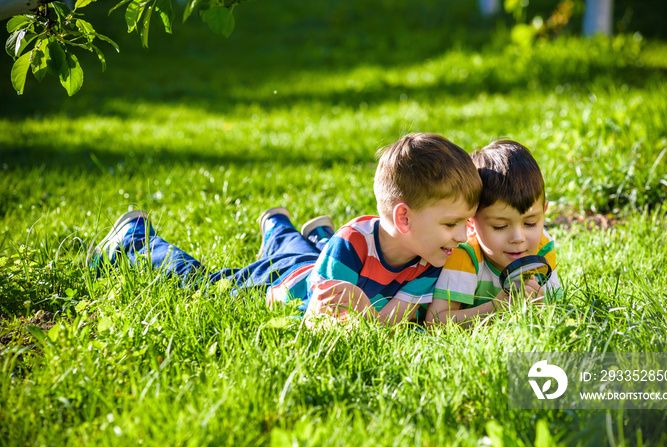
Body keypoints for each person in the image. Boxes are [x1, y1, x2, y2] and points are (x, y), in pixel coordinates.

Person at [92, 133, 483, 327]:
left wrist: (366, 312)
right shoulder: (351, 245)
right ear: (403, 219)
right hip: (280, 286)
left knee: (301, 255)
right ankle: (134, 239)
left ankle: (283, 226)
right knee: (203, 282)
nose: (462, 237)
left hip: (312, 262)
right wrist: (364, 315)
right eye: (451, 224)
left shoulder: (432, 256)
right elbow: (321, 322)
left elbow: (399, 318)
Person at [426, 139, 562, 328]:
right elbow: (435, 322)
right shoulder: (466, 256)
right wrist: (497, 308)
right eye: (499, 226)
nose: (518, 238)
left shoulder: (542, 248)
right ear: (471, 222)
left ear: (544, 211)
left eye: (530, 223)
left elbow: (558, 308)